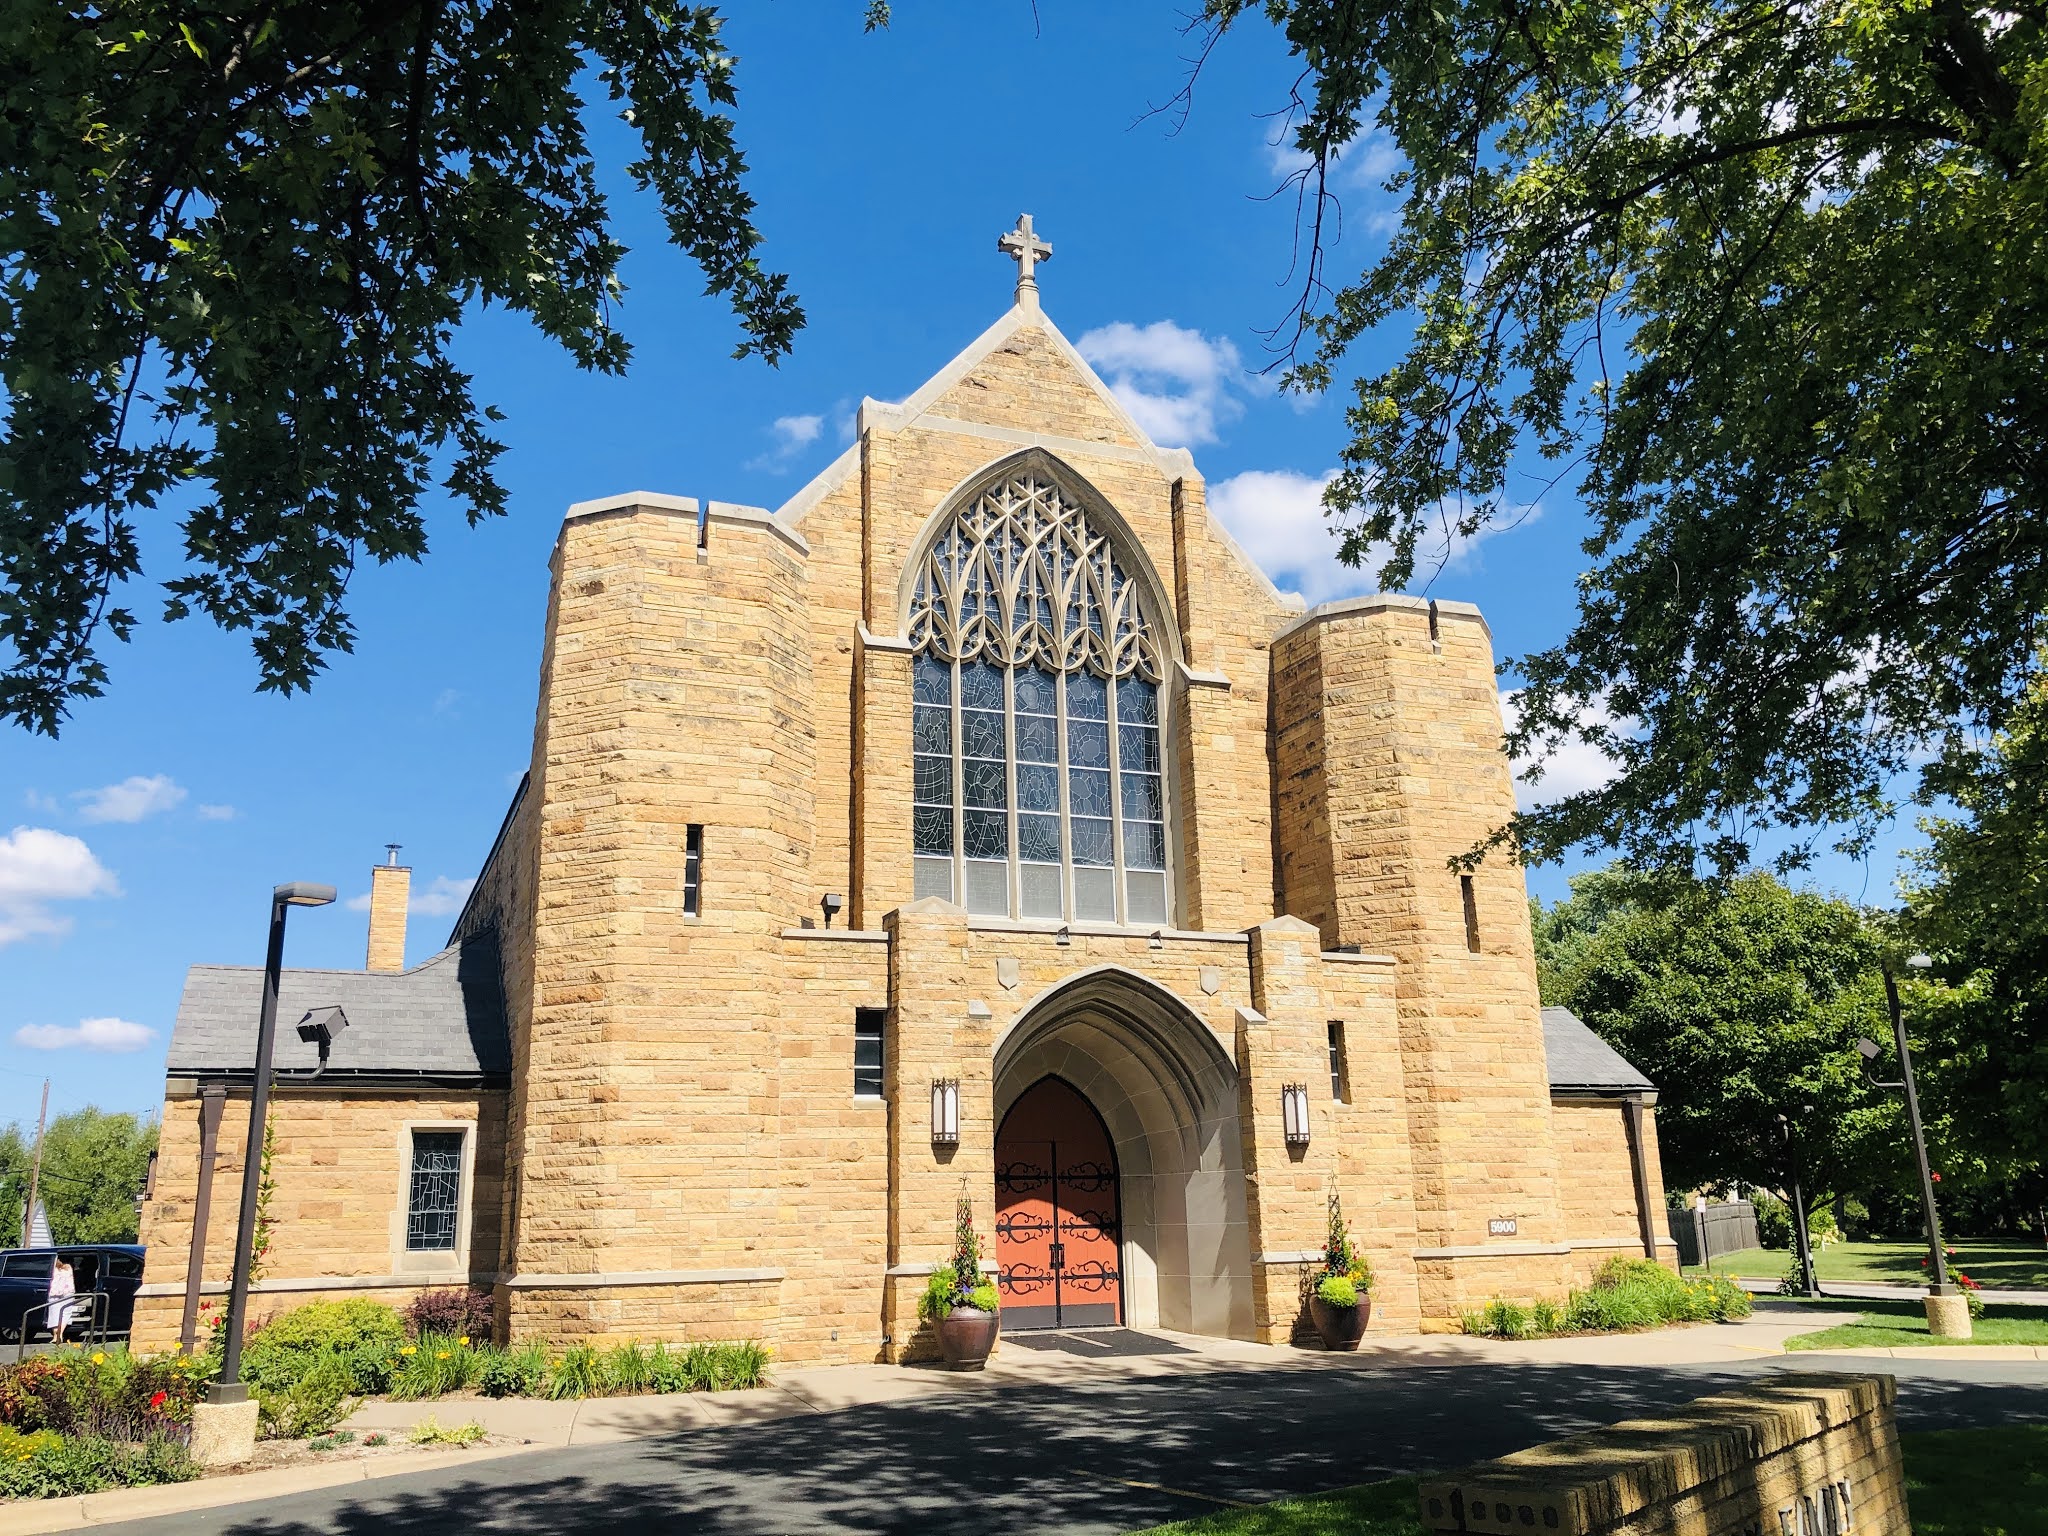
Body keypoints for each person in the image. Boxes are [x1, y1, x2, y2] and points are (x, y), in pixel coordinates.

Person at [45, 1256, 77, 1339]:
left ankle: (55, 1335)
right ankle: (60, 1333)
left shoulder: (52, 1269)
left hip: (54, 1292)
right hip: (68, 1292)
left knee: (54, 1313)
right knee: (66, 1313)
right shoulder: (68, 1268)